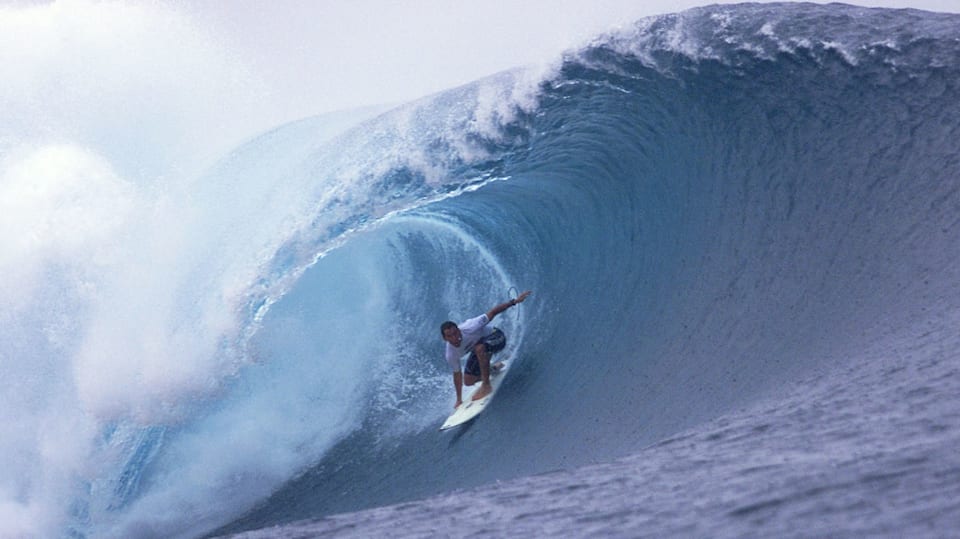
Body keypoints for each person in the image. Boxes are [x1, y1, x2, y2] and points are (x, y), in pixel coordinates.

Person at [440, 290, 532, 408]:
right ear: (445, 338)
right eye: (450, 336)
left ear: (458, 329)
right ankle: (492, 369)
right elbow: (457, 375)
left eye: (455, 333)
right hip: (481, 348)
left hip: (497, 337)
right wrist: (459, 399)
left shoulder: (470, 327)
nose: (455, 337)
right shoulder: (450, 354)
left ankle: (486, 385)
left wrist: (514, 301)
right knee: (468, 381)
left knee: (479, 348)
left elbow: (493, 312)